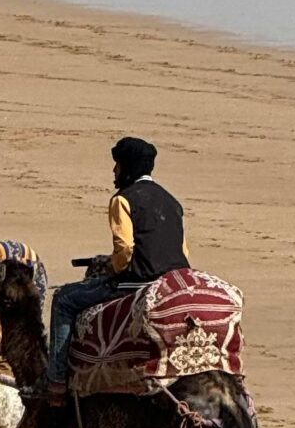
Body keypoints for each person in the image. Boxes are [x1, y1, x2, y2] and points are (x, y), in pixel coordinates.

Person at [47, 136, 190, 399]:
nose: (114, 171)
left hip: (137, 282)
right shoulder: (172, 201)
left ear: (128, 167)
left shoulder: (122, 200)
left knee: (64, 300)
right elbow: (182, 250)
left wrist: (110, 265)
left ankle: (56, 382)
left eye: (118, 165)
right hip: (175, 280)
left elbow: (124, 252)